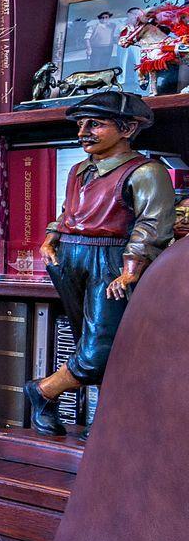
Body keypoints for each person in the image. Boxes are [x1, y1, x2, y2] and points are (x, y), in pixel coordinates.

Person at [24, 90, 175, 436]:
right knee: (90, 339)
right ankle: (109, 420)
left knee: (100, 348)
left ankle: (43, 390)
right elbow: (69, 211)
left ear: (127, 128)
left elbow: (151, 226)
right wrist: (51, 238)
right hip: (70, 258)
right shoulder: (79, 170)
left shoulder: (146, 172)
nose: (83, 132)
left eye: (96, 124)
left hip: (110, 260)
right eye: (80, 125)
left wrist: (130, 270)